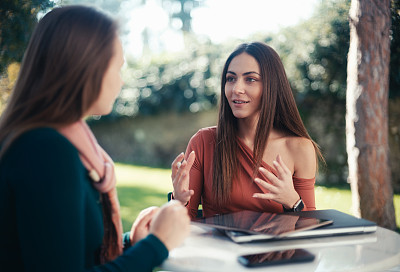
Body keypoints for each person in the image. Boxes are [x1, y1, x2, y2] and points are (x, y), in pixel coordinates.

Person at [0, 5, 190, 271]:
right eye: (118, 67)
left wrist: (131, 243)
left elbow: (71, 255)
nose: (121, 82)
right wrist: (157, 244)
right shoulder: (45, 150)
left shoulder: (52, 141)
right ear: (88, 67)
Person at [171, 42, 324, 219]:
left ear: (271, 86)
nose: (236, 89)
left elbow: (309, 228)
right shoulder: (204, 142)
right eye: (231, 79)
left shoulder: (300, 148)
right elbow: (182, 225)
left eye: (250, 79)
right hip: (219, 246)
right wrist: (179, 200)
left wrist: (293, 202)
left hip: (274, 247)